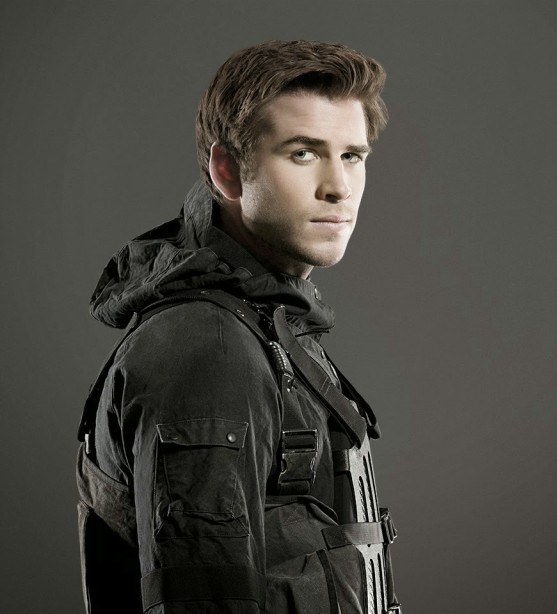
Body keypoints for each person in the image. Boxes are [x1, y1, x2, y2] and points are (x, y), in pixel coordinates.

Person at [75, 40, 401, 614]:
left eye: (352, 155)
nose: (339, 187)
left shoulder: (263, 321)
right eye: (304, 153)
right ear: (227, 171)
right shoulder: (208, 345)